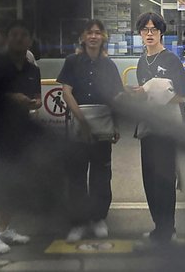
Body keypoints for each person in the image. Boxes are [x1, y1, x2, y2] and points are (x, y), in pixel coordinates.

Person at [0, 21, 42, 253]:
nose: (19, 39)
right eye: (14, 35)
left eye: (24, 35)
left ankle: (4, 229)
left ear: (30, 41)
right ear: (6, 38)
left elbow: (37, 96)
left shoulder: (33, 69)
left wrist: (36, 101)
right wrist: (12, 97)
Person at [57, 19, 124, 242]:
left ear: (103, 37)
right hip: (78, 126)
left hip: (103, 127)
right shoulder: (72, 62)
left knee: (101, 176)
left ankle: (98, 219)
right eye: (89, 33)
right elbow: (67, 92)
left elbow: (115, 97)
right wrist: (83, 122)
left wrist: (115, 124)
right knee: (76, 176)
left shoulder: (109, 65)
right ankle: (78, 222)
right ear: (83, 37)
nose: (94, 36)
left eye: (98, 32)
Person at [131, 12, 185, 243]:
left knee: (165, 181)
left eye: (154, 29)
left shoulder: (171, 60)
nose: (149, 34)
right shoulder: (142, 61)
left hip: (167, 129)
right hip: (148, 129)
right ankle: (158, 226)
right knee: (150, 181)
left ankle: (168, 229)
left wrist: (154, 89)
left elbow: (182, 96)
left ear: (161, 32)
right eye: (145, 30)